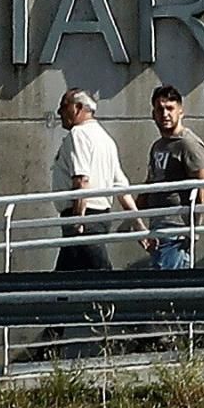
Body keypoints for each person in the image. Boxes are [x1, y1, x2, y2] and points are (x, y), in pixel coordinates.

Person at [51, 88, 146, 271]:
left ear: (78, 108)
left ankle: (108, 298)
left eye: (63, 106)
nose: (59, 112)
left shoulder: (78, 134)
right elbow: (121, 188)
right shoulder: (106, 139)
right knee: (71, 275)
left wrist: (78, 221)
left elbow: (81, 181)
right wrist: (140, 227)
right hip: (100, 217)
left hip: (82, 216)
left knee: (94, 273)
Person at [137, 85, 204, 270]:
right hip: (157, 227)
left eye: (170, 108)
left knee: (171, 288)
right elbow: (151, 183)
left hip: (177, 230)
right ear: (153, 113)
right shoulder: (158, 146)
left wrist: (194, 228)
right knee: (160, 288)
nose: (165, 114)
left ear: (181, 111)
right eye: (160, 109)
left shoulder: (188, 144)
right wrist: (133, 218)